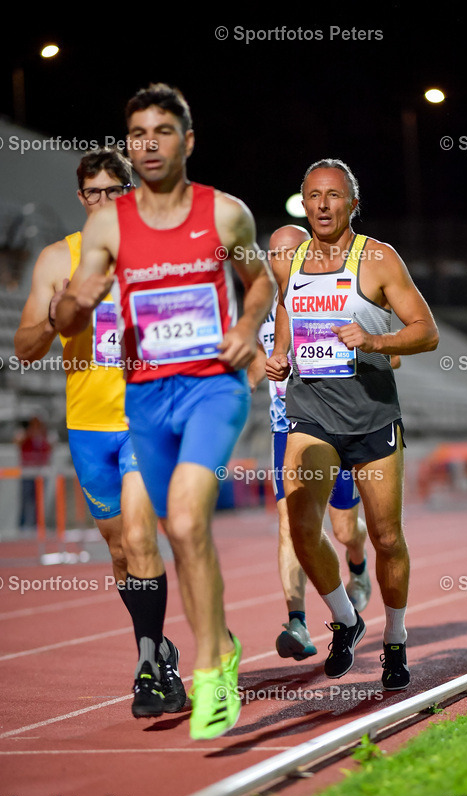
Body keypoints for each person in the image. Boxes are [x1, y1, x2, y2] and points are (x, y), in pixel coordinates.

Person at [55, 84, 275, 740]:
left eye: (162, 131)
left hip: (211, 387)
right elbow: (67, 314)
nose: (148, 144)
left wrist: (248, 327)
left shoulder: (225, 213)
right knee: (171, 535)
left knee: (183, 518)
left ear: (188, 140)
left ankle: (211, 671)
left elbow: (260, 280)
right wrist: (75, 302)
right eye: (137, 134)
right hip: (144, 396)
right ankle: (221, 644)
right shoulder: (107, 225)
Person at [15, 147, 185, 720]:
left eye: (117, 191)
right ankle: (161, 648)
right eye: (95, 192)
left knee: (140, 538)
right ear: (81, 198)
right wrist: (55, 313)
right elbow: (24, 347)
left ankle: (147, 668)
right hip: (88, 428)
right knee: (118, 550)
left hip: (144, 421)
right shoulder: (57, 259)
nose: (106, 201)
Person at [266, 159, 438, 690]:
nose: (322, 205)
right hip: (311, 412)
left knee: (386, 536)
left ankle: (395, 638)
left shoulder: (379, 258)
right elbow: (287, 311)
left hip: (371, 415)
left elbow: (426, 331)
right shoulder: (291, 261)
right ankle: (345, 619)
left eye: (334, 195)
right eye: (313, 195)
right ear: (303, 202)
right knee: (300, 525)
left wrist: (375, 340)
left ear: (352, 204)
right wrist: (280, 354)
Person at [249, 224, 372, 660]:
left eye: (289, 252)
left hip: (336, 425)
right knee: (290, 524)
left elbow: (388, 355)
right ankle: (297, 622)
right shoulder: (259, 309)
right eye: (273, 254)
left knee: (344, 529)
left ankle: (358, 564)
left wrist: (356, 348)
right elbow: (251, 367)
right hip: (287, 428)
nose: (280, 261)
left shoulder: (337, 292)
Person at [14, 416, 52, 528]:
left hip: (40, 472)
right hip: (27, 472)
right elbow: (17, 442)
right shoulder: (25, 434)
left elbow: (51, 447)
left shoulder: (44, 435)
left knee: (39, 499)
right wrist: (29, 433)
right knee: (25, 499)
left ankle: (37, 524)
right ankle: (22, 524)